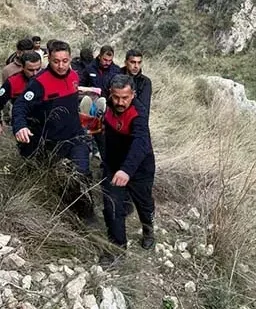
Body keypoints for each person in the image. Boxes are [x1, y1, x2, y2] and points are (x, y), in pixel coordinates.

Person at [12, 40, 97, 226]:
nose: (61, 65)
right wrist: (20, 126)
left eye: (65, 60)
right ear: (48, 59)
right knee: (61, 180)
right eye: (56, 61)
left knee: (82, 173)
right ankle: (67, 213)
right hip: (53, 142)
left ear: (69, 59)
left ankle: (88, 215)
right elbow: (20, 106)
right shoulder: (39, 83)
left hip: (76, 137)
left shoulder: (75, 76)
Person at [99, 75, 157, 266]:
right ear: (111, 94)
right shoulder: (106, 104)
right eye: (116, 97)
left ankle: (148, 229)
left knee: (144, 204)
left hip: (139, 168)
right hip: (113, 165)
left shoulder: (139, 114)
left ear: (133, 94)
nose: (120, 102)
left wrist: (126, 170)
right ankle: (118, 249)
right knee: (111, 207)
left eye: (125, 98)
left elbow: (141, 144)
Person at [0, 51, 42, 156]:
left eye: (38, 69)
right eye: (30, 70)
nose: (35, 73)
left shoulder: (48, 78)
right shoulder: (13, 82)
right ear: (22, 67)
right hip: (23, 125)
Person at [122, 49, 153, 119]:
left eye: (139, 63)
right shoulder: (116, 75)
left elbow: (144, 109)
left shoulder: (145, 82)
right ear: (126, 62)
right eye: (133, 62)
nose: (136, 66)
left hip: (134, 119)